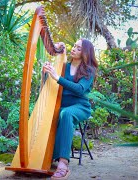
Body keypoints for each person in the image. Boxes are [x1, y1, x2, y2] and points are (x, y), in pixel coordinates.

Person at [43, 39, 98, 180]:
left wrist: (57, 77)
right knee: (51, 115)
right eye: (74, 46)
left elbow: (80, 90)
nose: (74, 49)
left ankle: (63, 163)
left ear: (85, 53)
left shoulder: (88, 71)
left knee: (66, 114)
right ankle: (46, 156)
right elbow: (50, 85)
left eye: (79, 48)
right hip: (61, 105)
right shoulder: (63, 66)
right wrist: (46, 73)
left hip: (80, 106)